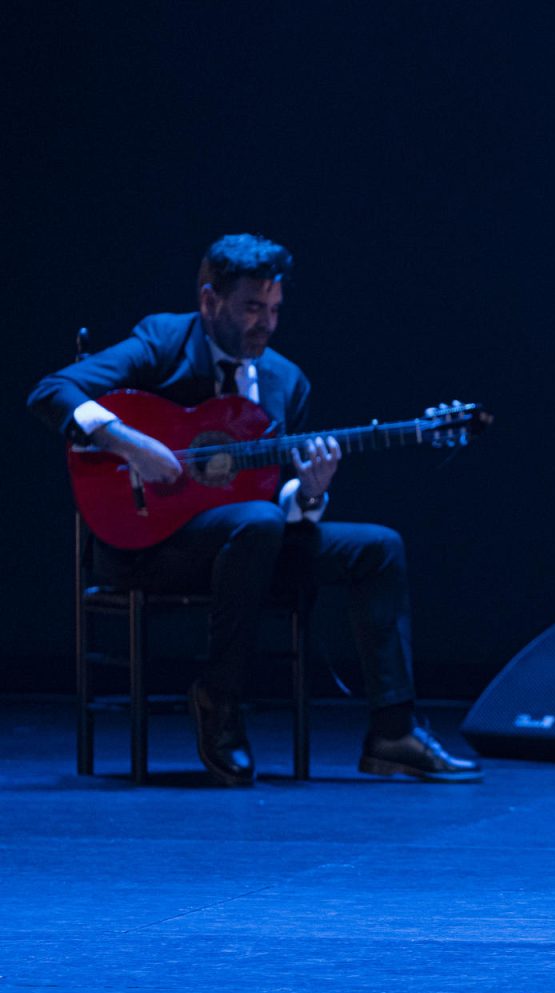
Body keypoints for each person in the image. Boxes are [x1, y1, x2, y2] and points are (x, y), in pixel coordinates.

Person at [28, 234, 481, 786]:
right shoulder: (164, 341)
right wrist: (131, 443)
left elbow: (279, 497)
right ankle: (219, 702)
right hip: (152, 544)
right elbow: (54, 390)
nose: (265, 324)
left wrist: (311, 492)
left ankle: (393, 731)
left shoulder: (285, 381)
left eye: (274, 310)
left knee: (377, 547)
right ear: (210, 301)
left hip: (250, 545)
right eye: (251, 308)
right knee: (257, 524)